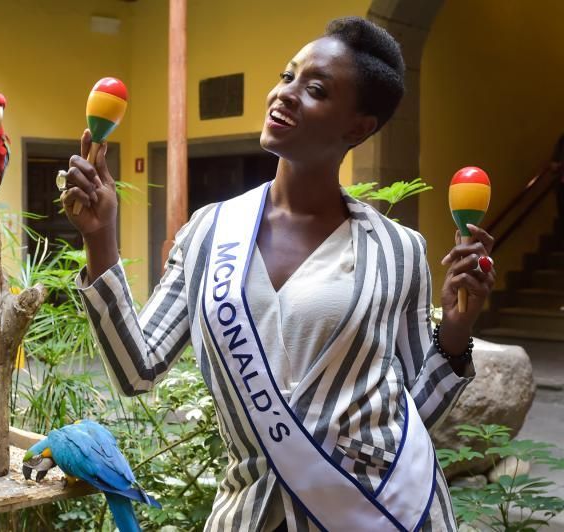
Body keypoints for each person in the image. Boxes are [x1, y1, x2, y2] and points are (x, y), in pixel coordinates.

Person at [57, 16, 495, 532]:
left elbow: (416, 412)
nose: (284, 94)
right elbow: (136, 370)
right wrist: (100, 237)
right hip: (253, 512)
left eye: (314, 89)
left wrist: (459, 329)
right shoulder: (208, 232)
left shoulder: (398, 251)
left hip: (378, 511)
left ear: (358, 127)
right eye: (287, 77)